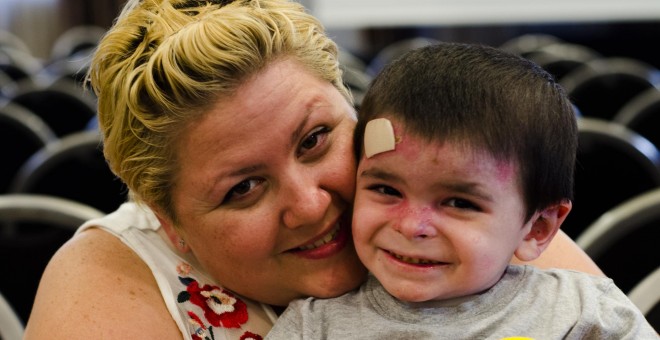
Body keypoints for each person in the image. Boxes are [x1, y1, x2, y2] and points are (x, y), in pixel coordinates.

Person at [23, 1, 602, 339]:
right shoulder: (103, 285)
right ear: (167, 221)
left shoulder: (448, 213)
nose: (312, 204)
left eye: (316, 140)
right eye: (243, 188)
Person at [266, 43, 657, 339]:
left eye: (458, 202)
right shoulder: (312, 327)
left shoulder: (584, 312)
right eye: (386, 189)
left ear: (537, 229)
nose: (412, 226)